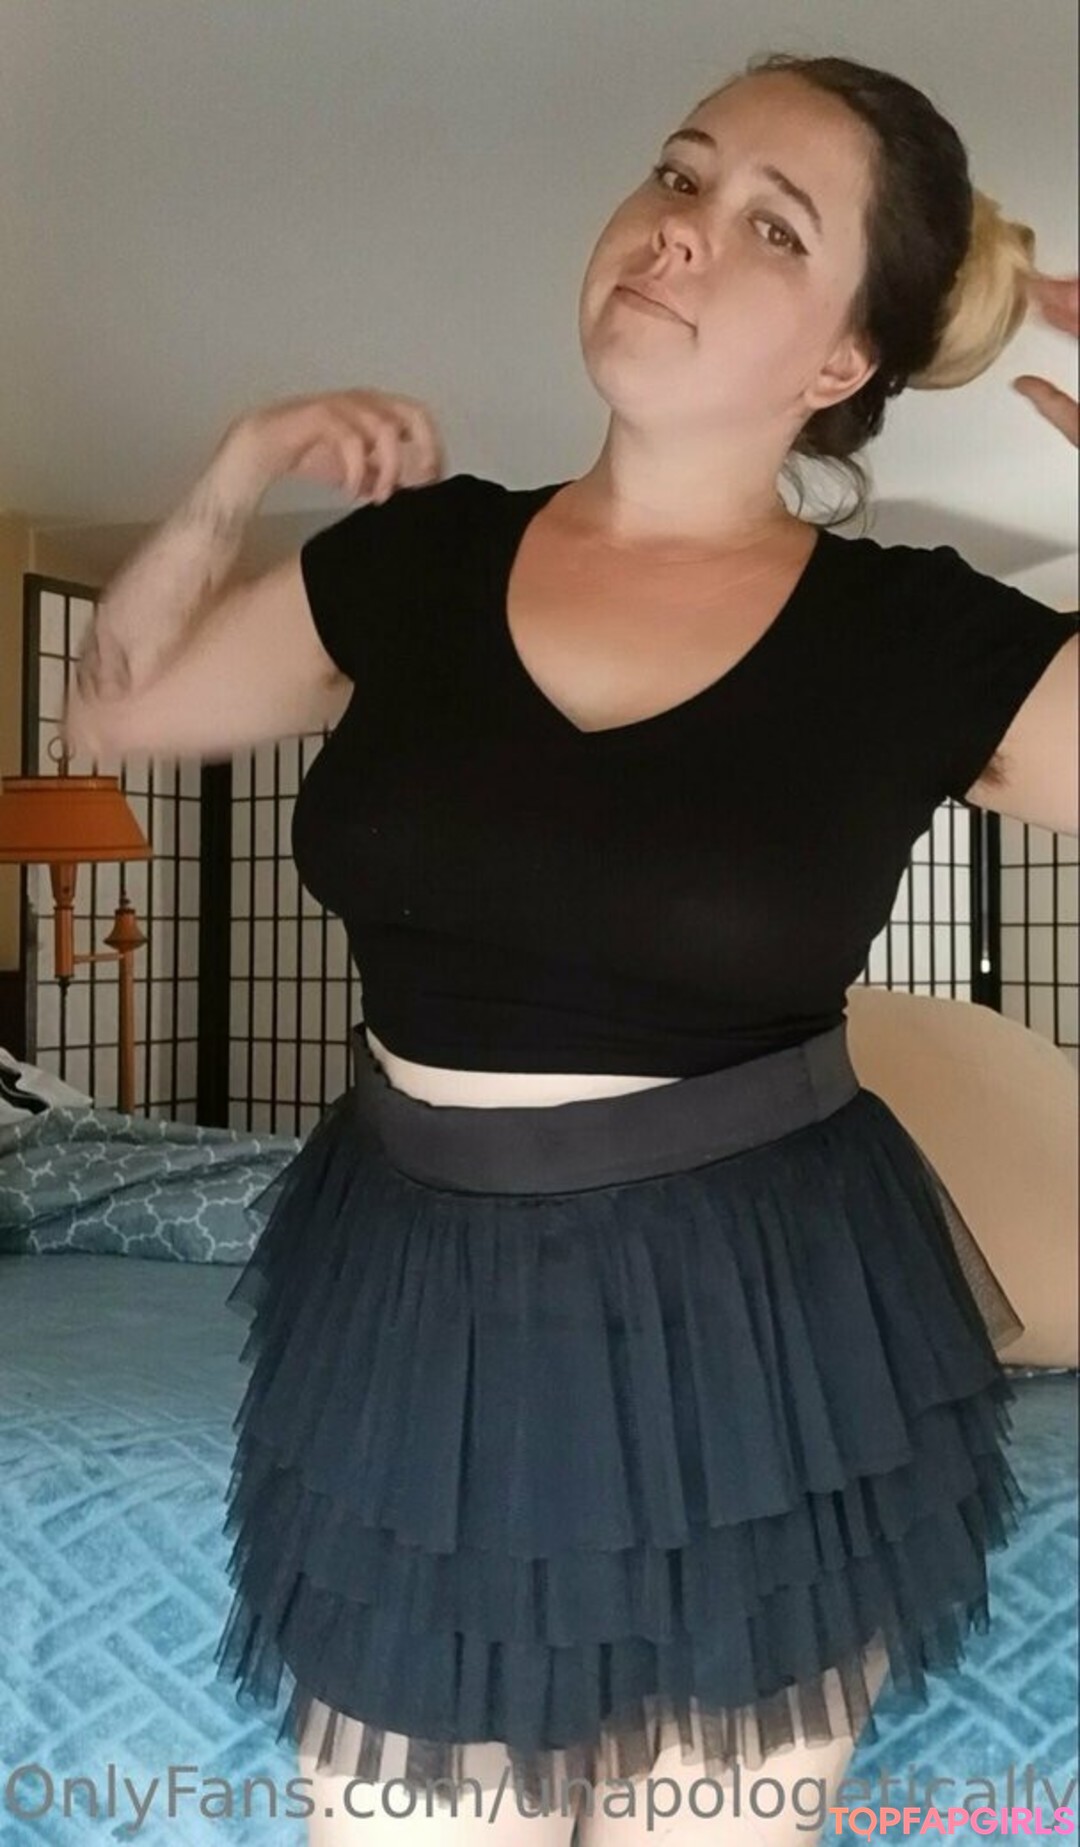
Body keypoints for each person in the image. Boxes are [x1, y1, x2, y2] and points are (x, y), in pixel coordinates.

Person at [62, 49, 1079, 1847]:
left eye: (773, 226)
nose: (683, 230)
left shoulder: (921, 639)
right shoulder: (417, 564)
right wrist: (239, 463)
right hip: (412, 1302)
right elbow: (119, 715)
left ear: (843, 363)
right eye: (681, 175)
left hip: (756, 1328)